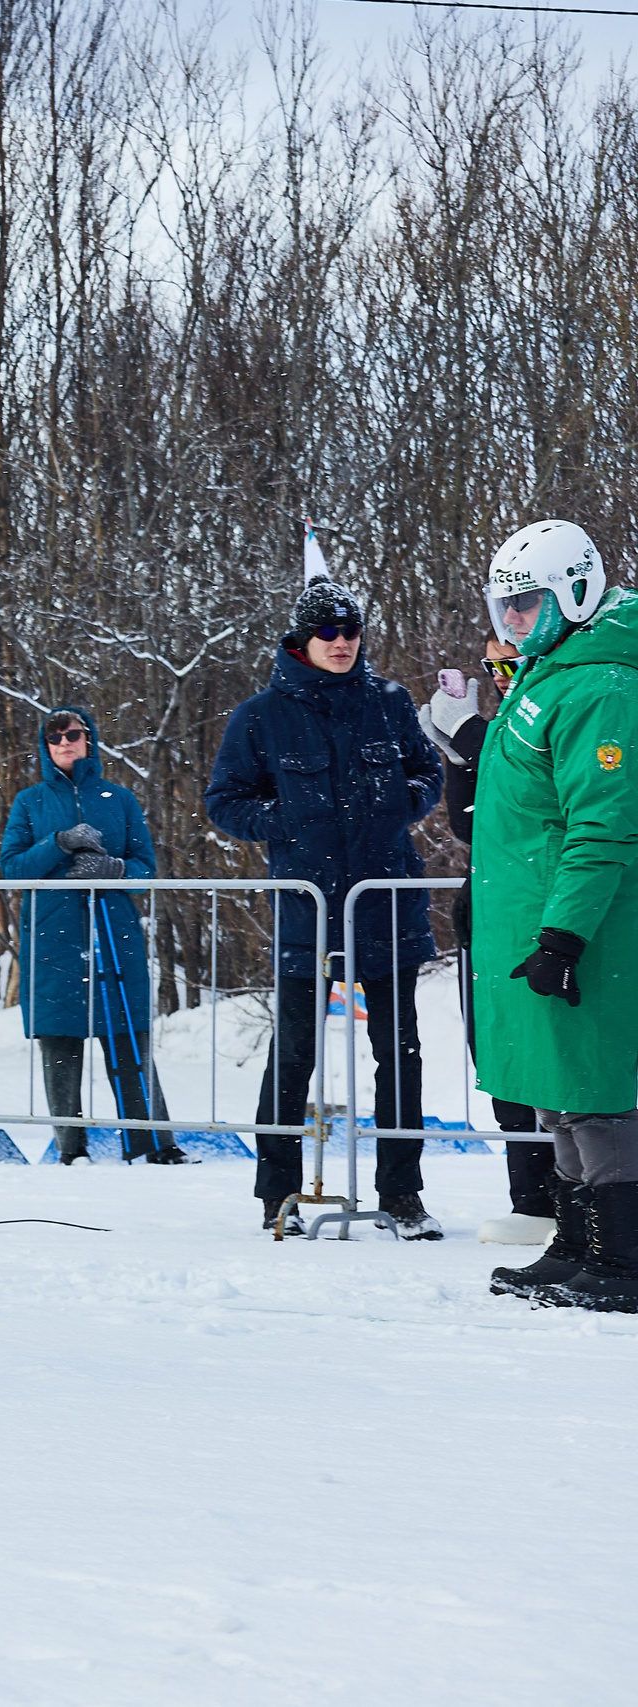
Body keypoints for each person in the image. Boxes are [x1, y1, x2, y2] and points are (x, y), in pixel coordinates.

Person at [206, 574, 445, 1238]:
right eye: (328, 632)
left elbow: (427, 774)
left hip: (384, 903)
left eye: (351, 631)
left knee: (400, 1053)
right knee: (294, 1052)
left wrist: (403, 803)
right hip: (308, 910)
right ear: (302, 640)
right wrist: (285, 819)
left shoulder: (390, 703)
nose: (342, 643)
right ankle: (275, 1189)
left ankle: (401, 1193)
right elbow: (225, 800)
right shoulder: (260, 715)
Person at [467, 522, 638, 1311]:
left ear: (574, 590)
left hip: (584, 924)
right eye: (505, 610)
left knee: (595, 1086)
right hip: (532, 917)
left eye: (528, 607)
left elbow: (601, 826)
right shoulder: (549, 673)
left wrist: (564, 933)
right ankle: (575, 1241)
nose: (514, 626)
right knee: (555, 1084)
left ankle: (621, 1255)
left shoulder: (600, 684)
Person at [0, 707, 184, 1164]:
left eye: (73, 734)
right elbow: (12, 867)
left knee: (128, 1037)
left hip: (113, 931)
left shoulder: (118, 799)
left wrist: (115, 868)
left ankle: (151, 1144)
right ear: (45, 746)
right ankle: (71, 1149)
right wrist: (57, 842)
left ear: (89, 740)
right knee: (59, 1044)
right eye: (54, 736)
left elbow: (146, 870)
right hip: (53, 936)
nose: (65, 742)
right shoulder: (30, 801)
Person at [418, 630, 551, 1242]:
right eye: (493, 662)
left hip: (549, 915)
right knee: (499, 1057)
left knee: (556, 1059)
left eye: (512, 661)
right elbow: (471, 825)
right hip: (492, 916)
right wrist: (458, 755)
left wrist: (474, 738)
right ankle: (532, 1201)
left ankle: (579, 1199)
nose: (501, 673)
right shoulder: (498, 732)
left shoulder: (558, 715)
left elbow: (536, 809)